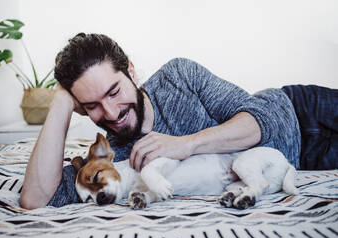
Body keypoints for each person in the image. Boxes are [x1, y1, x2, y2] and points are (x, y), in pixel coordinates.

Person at [19, 33, 338, 209]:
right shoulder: (116, 161)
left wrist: (185, 144)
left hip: (297, 108)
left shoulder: (178, 76)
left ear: (130, 70)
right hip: (302, 160)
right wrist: (60, 98)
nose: (112, 113)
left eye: (114, 92)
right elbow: (35, 198)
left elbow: (260, 121)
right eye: (92, 106)